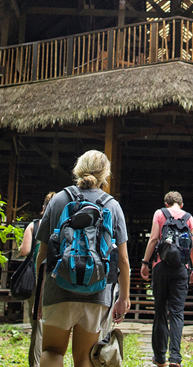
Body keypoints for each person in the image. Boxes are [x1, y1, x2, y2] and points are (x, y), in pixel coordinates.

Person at [34, 151, 131, 367]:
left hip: (57, 288)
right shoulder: (112, 205)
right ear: (105, 174)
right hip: (97, 292)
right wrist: (123, 297)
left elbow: (42, 254)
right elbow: (123, 260)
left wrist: (39, 293)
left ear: (78, 169)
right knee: (85, 358)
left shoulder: (58, 199)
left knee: (51, 351)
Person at [139, 191, 193, 367]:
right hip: (181, 269)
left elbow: (153, 239)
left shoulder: (160, 213)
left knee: (160, 312)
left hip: (160, 267)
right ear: (181, 205)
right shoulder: (189, 217)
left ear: (166, 204)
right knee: (177, 313)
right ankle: (175, 357)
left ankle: (159, 357)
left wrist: (145, 262)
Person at [19, 192, 55, 324]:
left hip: (36, 274)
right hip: (55, 275)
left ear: (43, 207)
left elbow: (25, 251)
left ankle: (37, 343)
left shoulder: (34, 226)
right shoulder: (62, 226)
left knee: (35, 315)